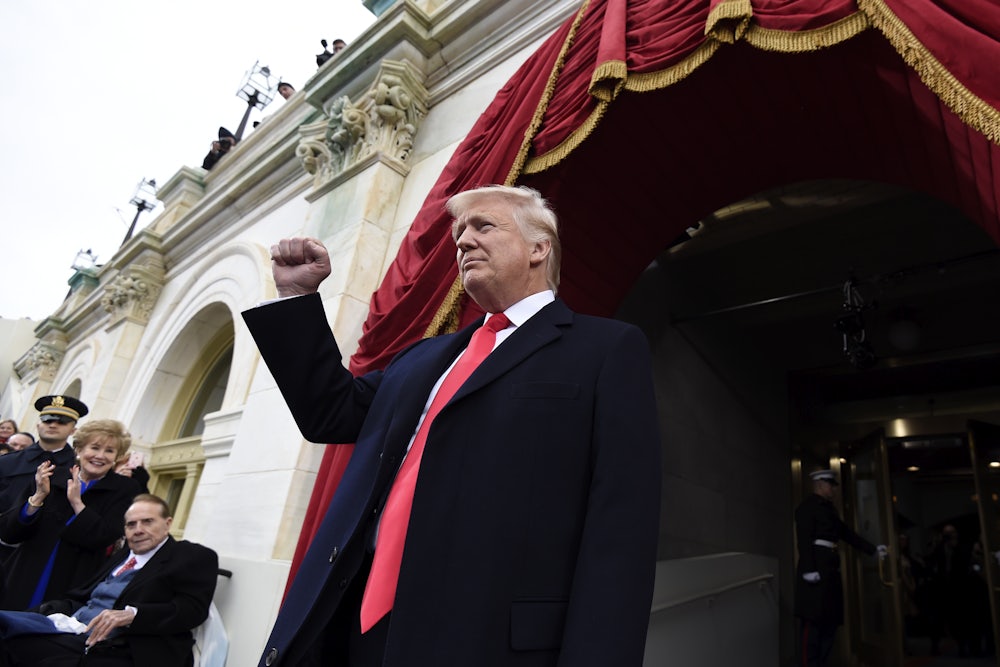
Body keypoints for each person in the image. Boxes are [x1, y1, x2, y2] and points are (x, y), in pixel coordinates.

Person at [242, 184, 662, 667]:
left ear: (538, 247)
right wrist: (296, 296)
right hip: (353, 627)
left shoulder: (606, 349)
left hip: (484, 641)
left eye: (483, 226)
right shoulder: (423, 357)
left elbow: (620, 529)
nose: (462, 241)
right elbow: (329, 413)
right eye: (459, 231)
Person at [0, 494, 219, 667]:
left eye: (148, 522)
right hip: (71, 626)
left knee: (12, 644)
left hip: (121, 646)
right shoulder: (124, 555)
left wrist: (133, 614)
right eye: (131, 525)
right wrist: (49, 611)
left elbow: (192, 610)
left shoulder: (191, 556)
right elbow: (85, 596)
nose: (138, 530)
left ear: (168, 523)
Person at [0, 419, 142, 611]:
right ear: (79, 450)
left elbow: (103, 536)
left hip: (73, 582)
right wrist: (37, 497)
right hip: (23, 575)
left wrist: (77, 503)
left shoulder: (124, 489)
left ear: (117, 457)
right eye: (95, 447)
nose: (100, 456)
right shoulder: (50, 476)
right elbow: (9, 532)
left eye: (109, 451)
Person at [795, 469, 887, 666]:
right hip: (816, 570)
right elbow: (804, 540)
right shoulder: (807, 507)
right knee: (813, 624)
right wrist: (809, 569)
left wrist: (872, 550)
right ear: (819, 484)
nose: (834, 489)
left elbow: (846, 533)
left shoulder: (830, 510)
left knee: (830, 623)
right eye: (831, 485)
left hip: (829, 571)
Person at [0, 396, 88, 516]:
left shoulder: (80, 469)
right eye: (47, 420)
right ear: (38, 425)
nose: (53, 425)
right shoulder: (7, 462)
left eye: (62, 421)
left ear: (73, 430)